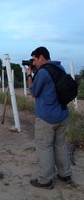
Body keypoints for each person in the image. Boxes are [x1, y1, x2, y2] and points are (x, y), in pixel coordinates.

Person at [26, 46, 72, 189]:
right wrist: (35, 72)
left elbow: (33, 92)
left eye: (34, 59)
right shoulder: (60, 68)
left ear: (41, 57)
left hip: (46, 118)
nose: (33, 63)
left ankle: (45, 180)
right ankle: (65, 174)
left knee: (44, 147)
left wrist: (29, 75)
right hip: (62, 114)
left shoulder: (43, 72)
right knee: (60, 145)